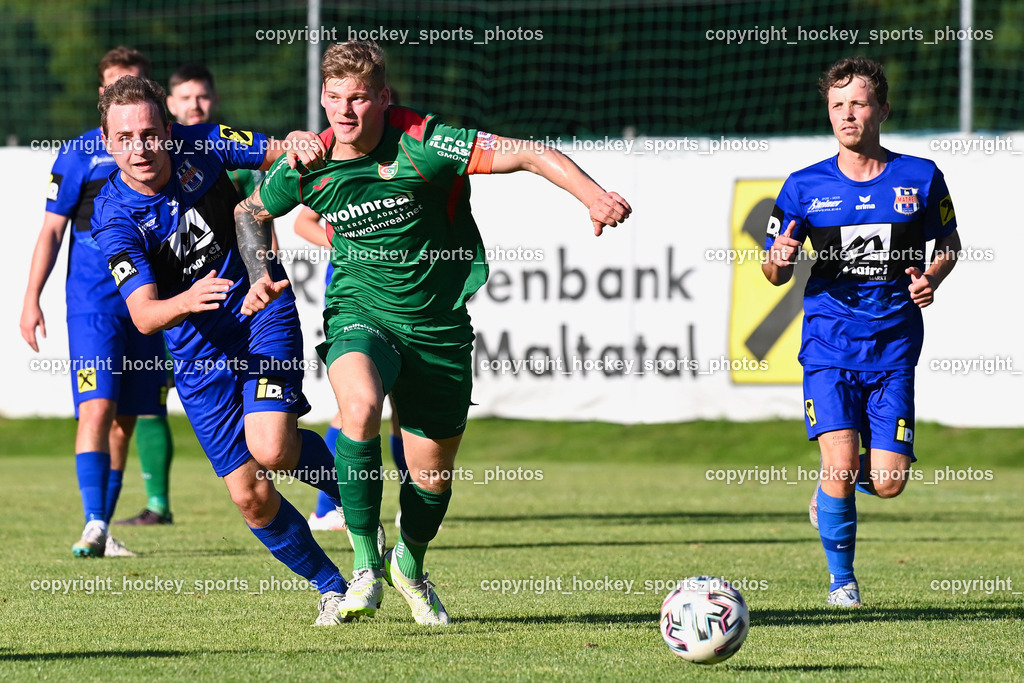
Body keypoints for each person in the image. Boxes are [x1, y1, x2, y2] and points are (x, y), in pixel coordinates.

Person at [235, 40, 631, 625]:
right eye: (335, 98)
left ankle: (408, 565)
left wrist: (592, 196)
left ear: (383, 99)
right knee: (360, 407)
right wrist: (260, 271)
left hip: (439, 326)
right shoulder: (308, 161)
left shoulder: (427, 140)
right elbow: (250, 212)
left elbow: (528, 153)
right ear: (322, 98)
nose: (345, 111)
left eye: (360, 98)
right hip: (359, 312)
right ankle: (365, 564)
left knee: (431, 477)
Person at [91, 74, 359, 625]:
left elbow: (281, 147)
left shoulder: (204, 140)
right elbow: (144, 315)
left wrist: (302, 141)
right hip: (196, 353)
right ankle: (333, 587)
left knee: (273, 447)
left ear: (168, 129)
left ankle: (360, 502)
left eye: (148, 133)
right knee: (250, 496)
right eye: (125, 138)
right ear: (106, 141)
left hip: (260, 308)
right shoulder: (114, 215)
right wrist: (187, 299)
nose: (139, 148)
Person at [762, 57, 960, 608]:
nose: (848, 115)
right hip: (828, 341)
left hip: (894, 344)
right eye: (837, 106)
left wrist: (932, 278)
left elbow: (947, 245)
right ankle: (842, 583)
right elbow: (774, 269)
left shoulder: (919, 177)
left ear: (882, 110)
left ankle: (833, 489)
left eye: (859, 103)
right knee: (841, 463)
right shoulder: (804, 186)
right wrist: (777, 259)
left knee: (890, 481)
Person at [19, 46, 172, 555]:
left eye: (132, 83)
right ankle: (90, 522)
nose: (122, 94)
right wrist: (30, 299)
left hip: (148, 306)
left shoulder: (170, 155)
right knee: (96, 408)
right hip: (93, 306)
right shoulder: (79, 152)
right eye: (112, 87)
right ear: (100, 96)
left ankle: (103, 529)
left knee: (127, 419)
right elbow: (50, 232)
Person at [292, 206, 407, 532]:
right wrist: (350, 245)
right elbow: (304, 222)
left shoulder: (411, 162)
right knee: (358, 403)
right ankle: (329, 507)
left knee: (404, 402)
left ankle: (408, 504)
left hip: (404, 297)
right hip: (353, 299)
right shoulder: (340, 163)